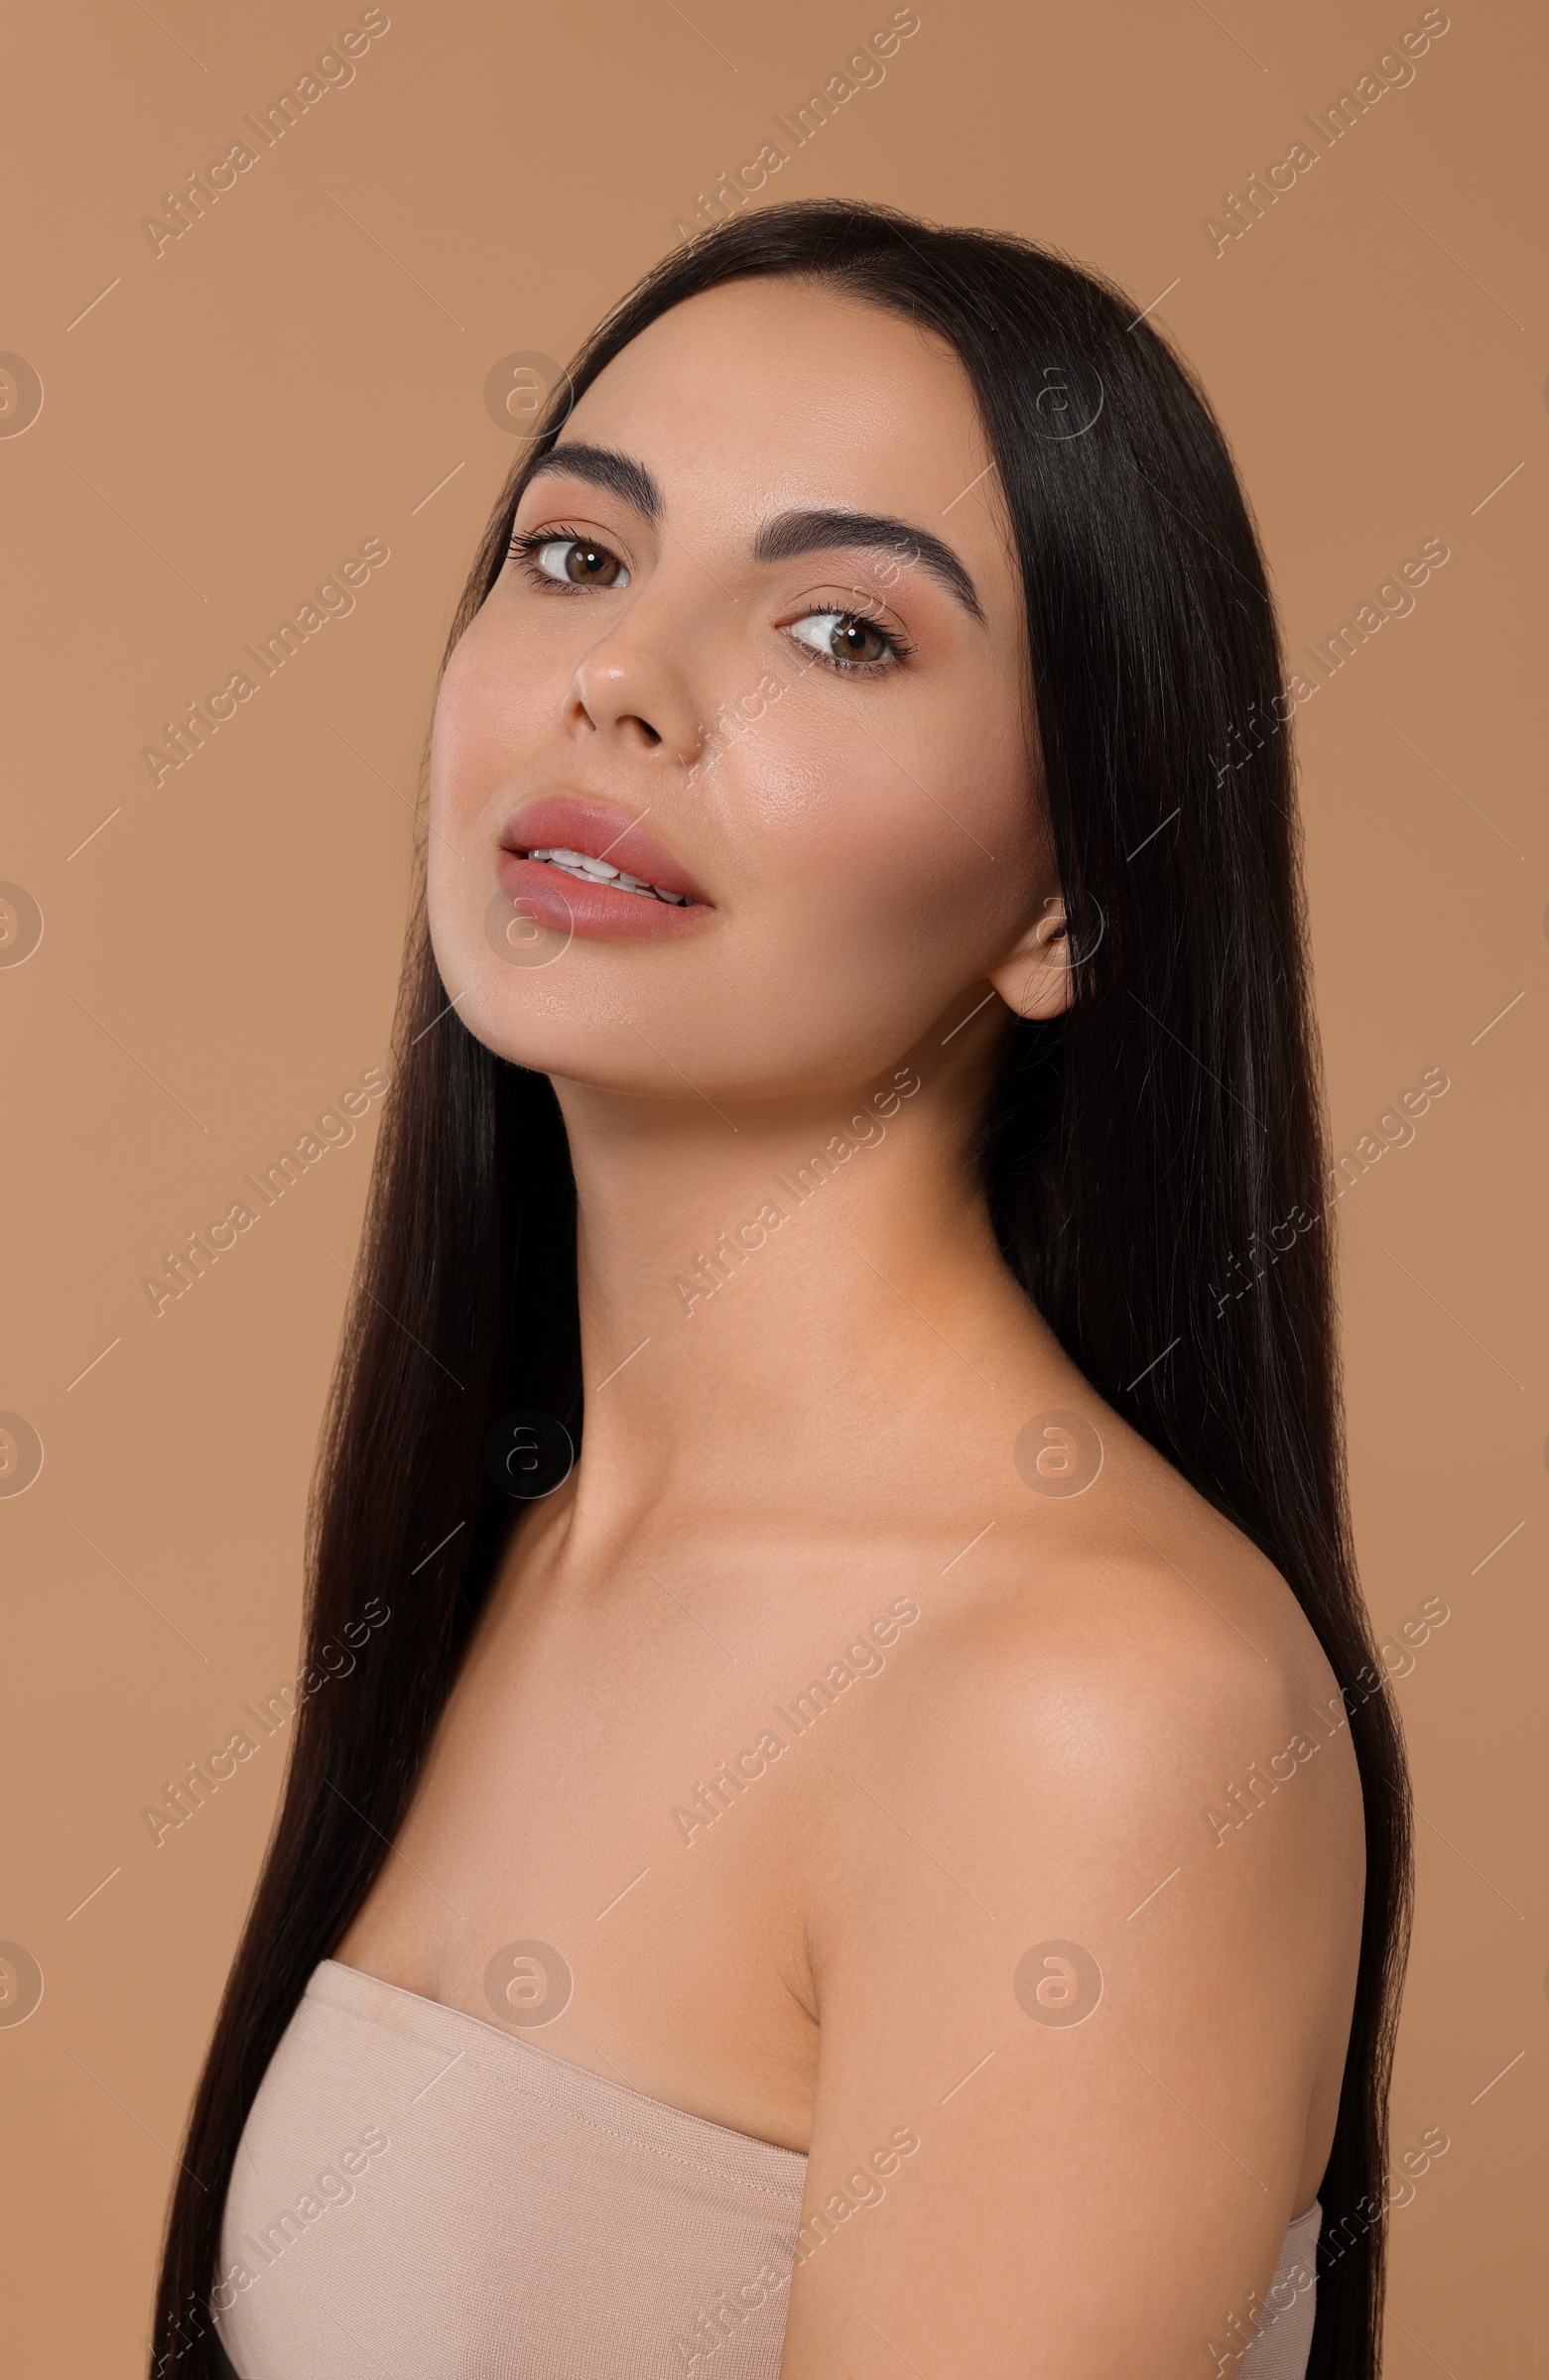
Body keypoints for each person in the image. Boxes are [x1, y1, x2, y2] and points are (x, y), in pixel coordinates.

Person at [152, 199, 1410, 2379]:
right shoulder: (533, 1546)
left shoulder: (1089, 1710)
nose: (620, 678)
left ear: (1070, 907)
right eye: (573, 555)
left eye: (841, 630)